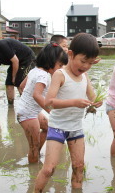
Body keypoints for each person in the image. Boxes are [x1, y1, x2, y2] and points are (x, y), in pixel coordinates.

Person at [34, 33, 102, 192]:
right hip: (57, 127)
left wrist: (97, 102)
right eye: (83, 61)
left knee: (79, 166)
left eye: (90, 63)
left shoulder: (85, 76)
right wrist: (74, 102)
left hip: (76, 128)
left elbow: (93, 98)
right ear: (70, 54)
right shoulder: (60, 74)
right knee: (49, 169)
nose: (85, 66)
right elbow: (48, 102)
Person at [15, 42, 68, 163]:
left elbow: (22, 86)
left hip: (28, 110)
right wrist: (51, 111)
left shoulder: (35, 70)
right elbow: (36, 95)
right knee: (33, 147)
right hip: (28, 114)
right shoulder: (44, 76)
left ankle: (36, 155)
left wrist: (25, 102)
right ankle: (33, 171)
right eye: (60, 66)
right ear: (50, 62)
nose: (61, 69)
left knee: (48, 129)